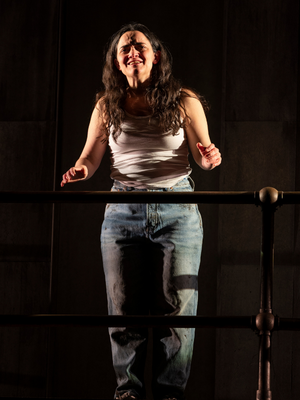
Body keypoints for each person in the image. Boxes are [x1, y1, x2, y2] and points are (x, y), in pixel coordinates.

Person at [61, 23, 221, 400]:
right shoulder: (106, 106)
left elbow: (204, 155)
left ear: (156, 55)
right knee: (123, 308)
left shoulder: (184, 100)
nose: (132, 52)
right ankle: (127, 393)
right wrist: (81, 168)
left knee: (178, 311)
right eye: (124, 50)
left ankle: (170, 395)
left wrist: (209, 157)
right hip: (122, 210)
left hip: (177, 209)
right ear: (117, 63)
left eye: (139, 46)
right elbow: (91, 156)